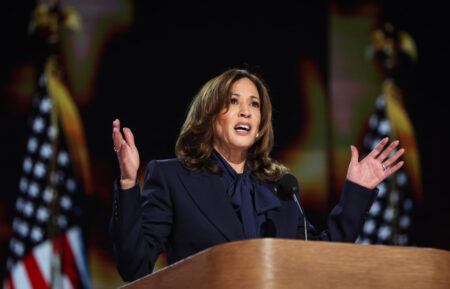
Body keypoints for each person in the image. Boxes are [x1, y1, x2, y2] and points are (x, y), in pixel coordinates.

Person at [110, 69, 404, 282]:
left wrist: (357, 190)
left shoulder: (280, 188)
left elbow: (318, 259)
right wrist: (127, 182)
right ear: (211, 116)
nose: (246, 112)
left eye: (254, 104)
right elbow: (135, 266)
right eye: (234, 101)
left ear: (262, 124)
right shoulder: (174, 178)